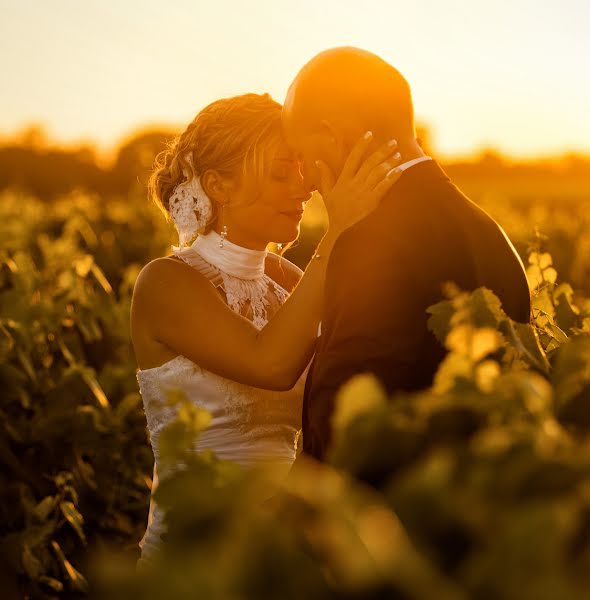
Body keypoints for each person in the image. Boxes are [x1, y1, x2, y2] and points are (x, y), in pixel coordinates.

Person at [130, 92, 402, 565]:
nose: (303, 188)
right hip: (192, 561)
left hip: (278, 556)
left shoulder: (289, 280)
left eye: (301, 168)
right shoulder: (166, 283)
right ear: (220, 186)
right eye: (280, 172)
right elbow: (271, 362)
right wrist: (337, 232)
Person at [282, 48, 532, 461]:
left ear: (332, 136)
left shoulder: (369, 239)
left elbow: (344, 425)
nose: (304, 177)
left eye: (301, 154)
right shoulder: (492, 234)